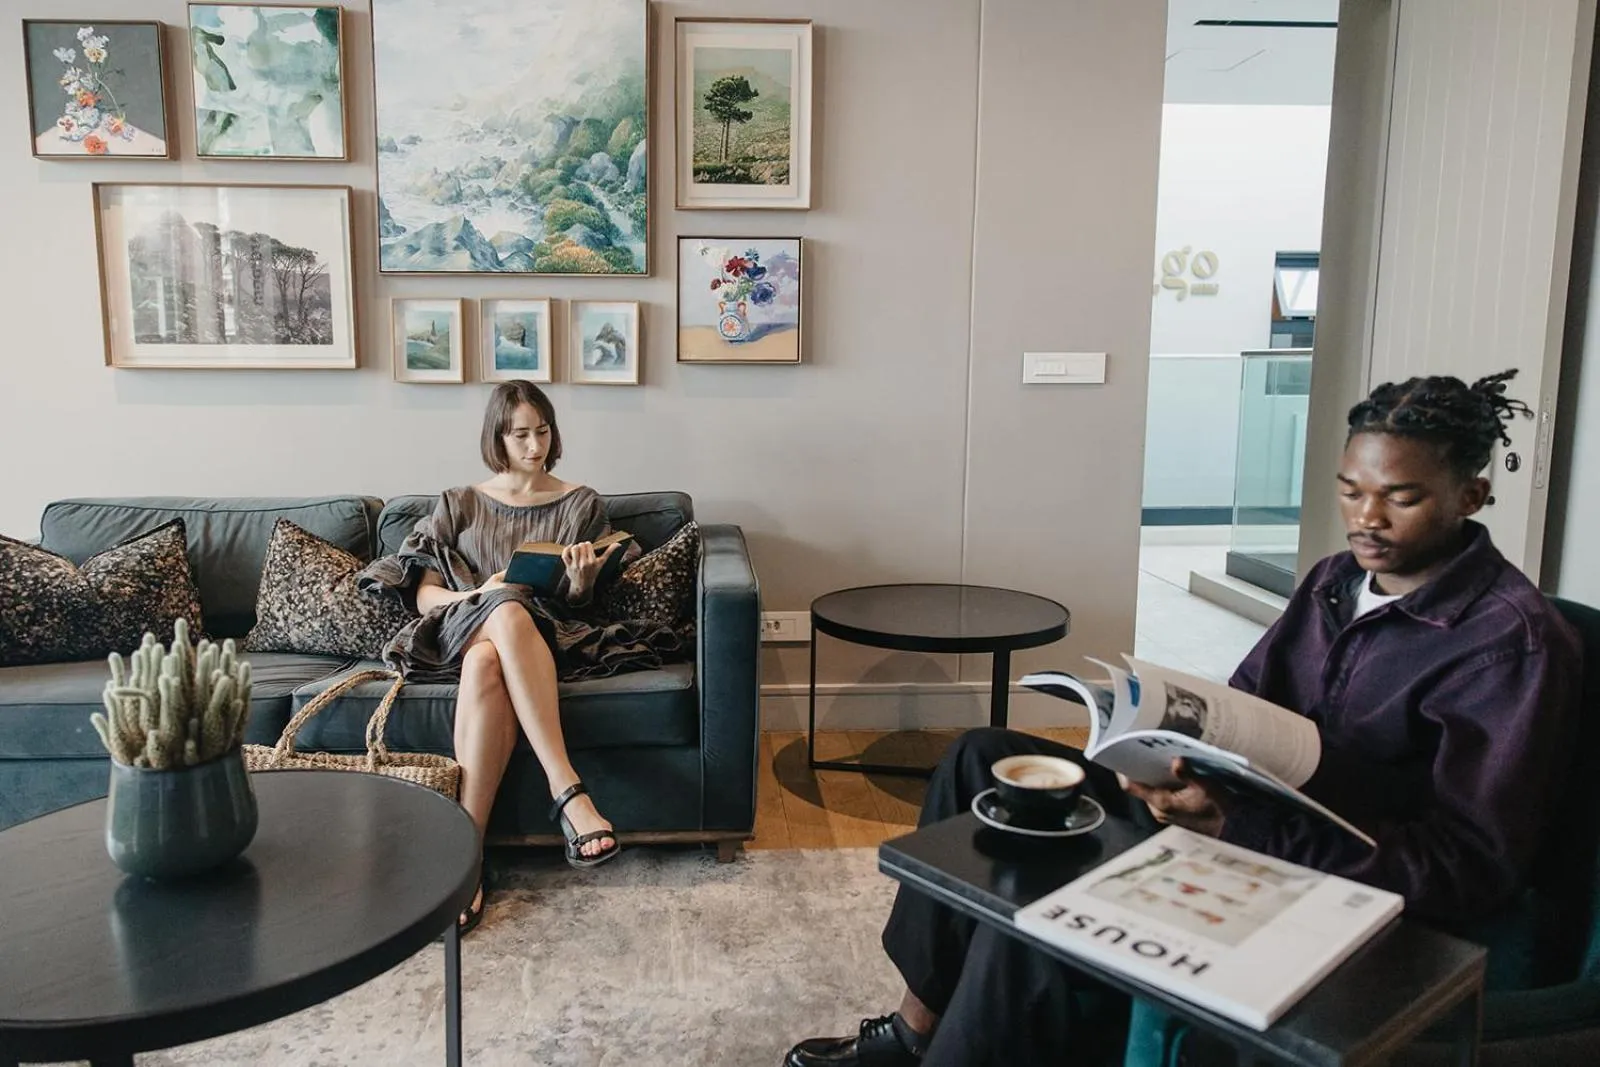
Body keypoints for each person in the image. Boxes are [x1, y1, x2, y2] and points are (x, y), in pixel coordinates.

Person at [785, 370, 1584, 1067]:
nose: (1366, 516)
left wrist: (1235, 824)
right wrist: (1167, 753)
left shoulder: (1509, 643)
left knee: (1040, 904)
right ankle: (917, 1028)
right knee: (979, 757)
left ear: (1471, 496)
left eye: (1399, 496)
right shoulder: (1335, 581)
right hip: (1245, 815)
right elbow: (1243, 705)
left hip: (1332, 873)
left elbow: (1468, 867)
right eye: (1350, 488)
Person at [360, 381, 682, 935]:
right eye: (521, 434)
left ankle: (465, 859)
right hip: (460, 623)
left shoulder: (581, 502)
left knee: (493, 655)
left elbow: (579, 598)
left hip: (540, 634)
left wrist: (580, 581)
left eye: (543, 431)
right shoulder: (458, 502)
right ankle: (569, 793)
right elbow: (424, 594)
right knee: (504, 608)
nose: (535, 445)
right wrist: (482, 592)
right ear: (499, 438)